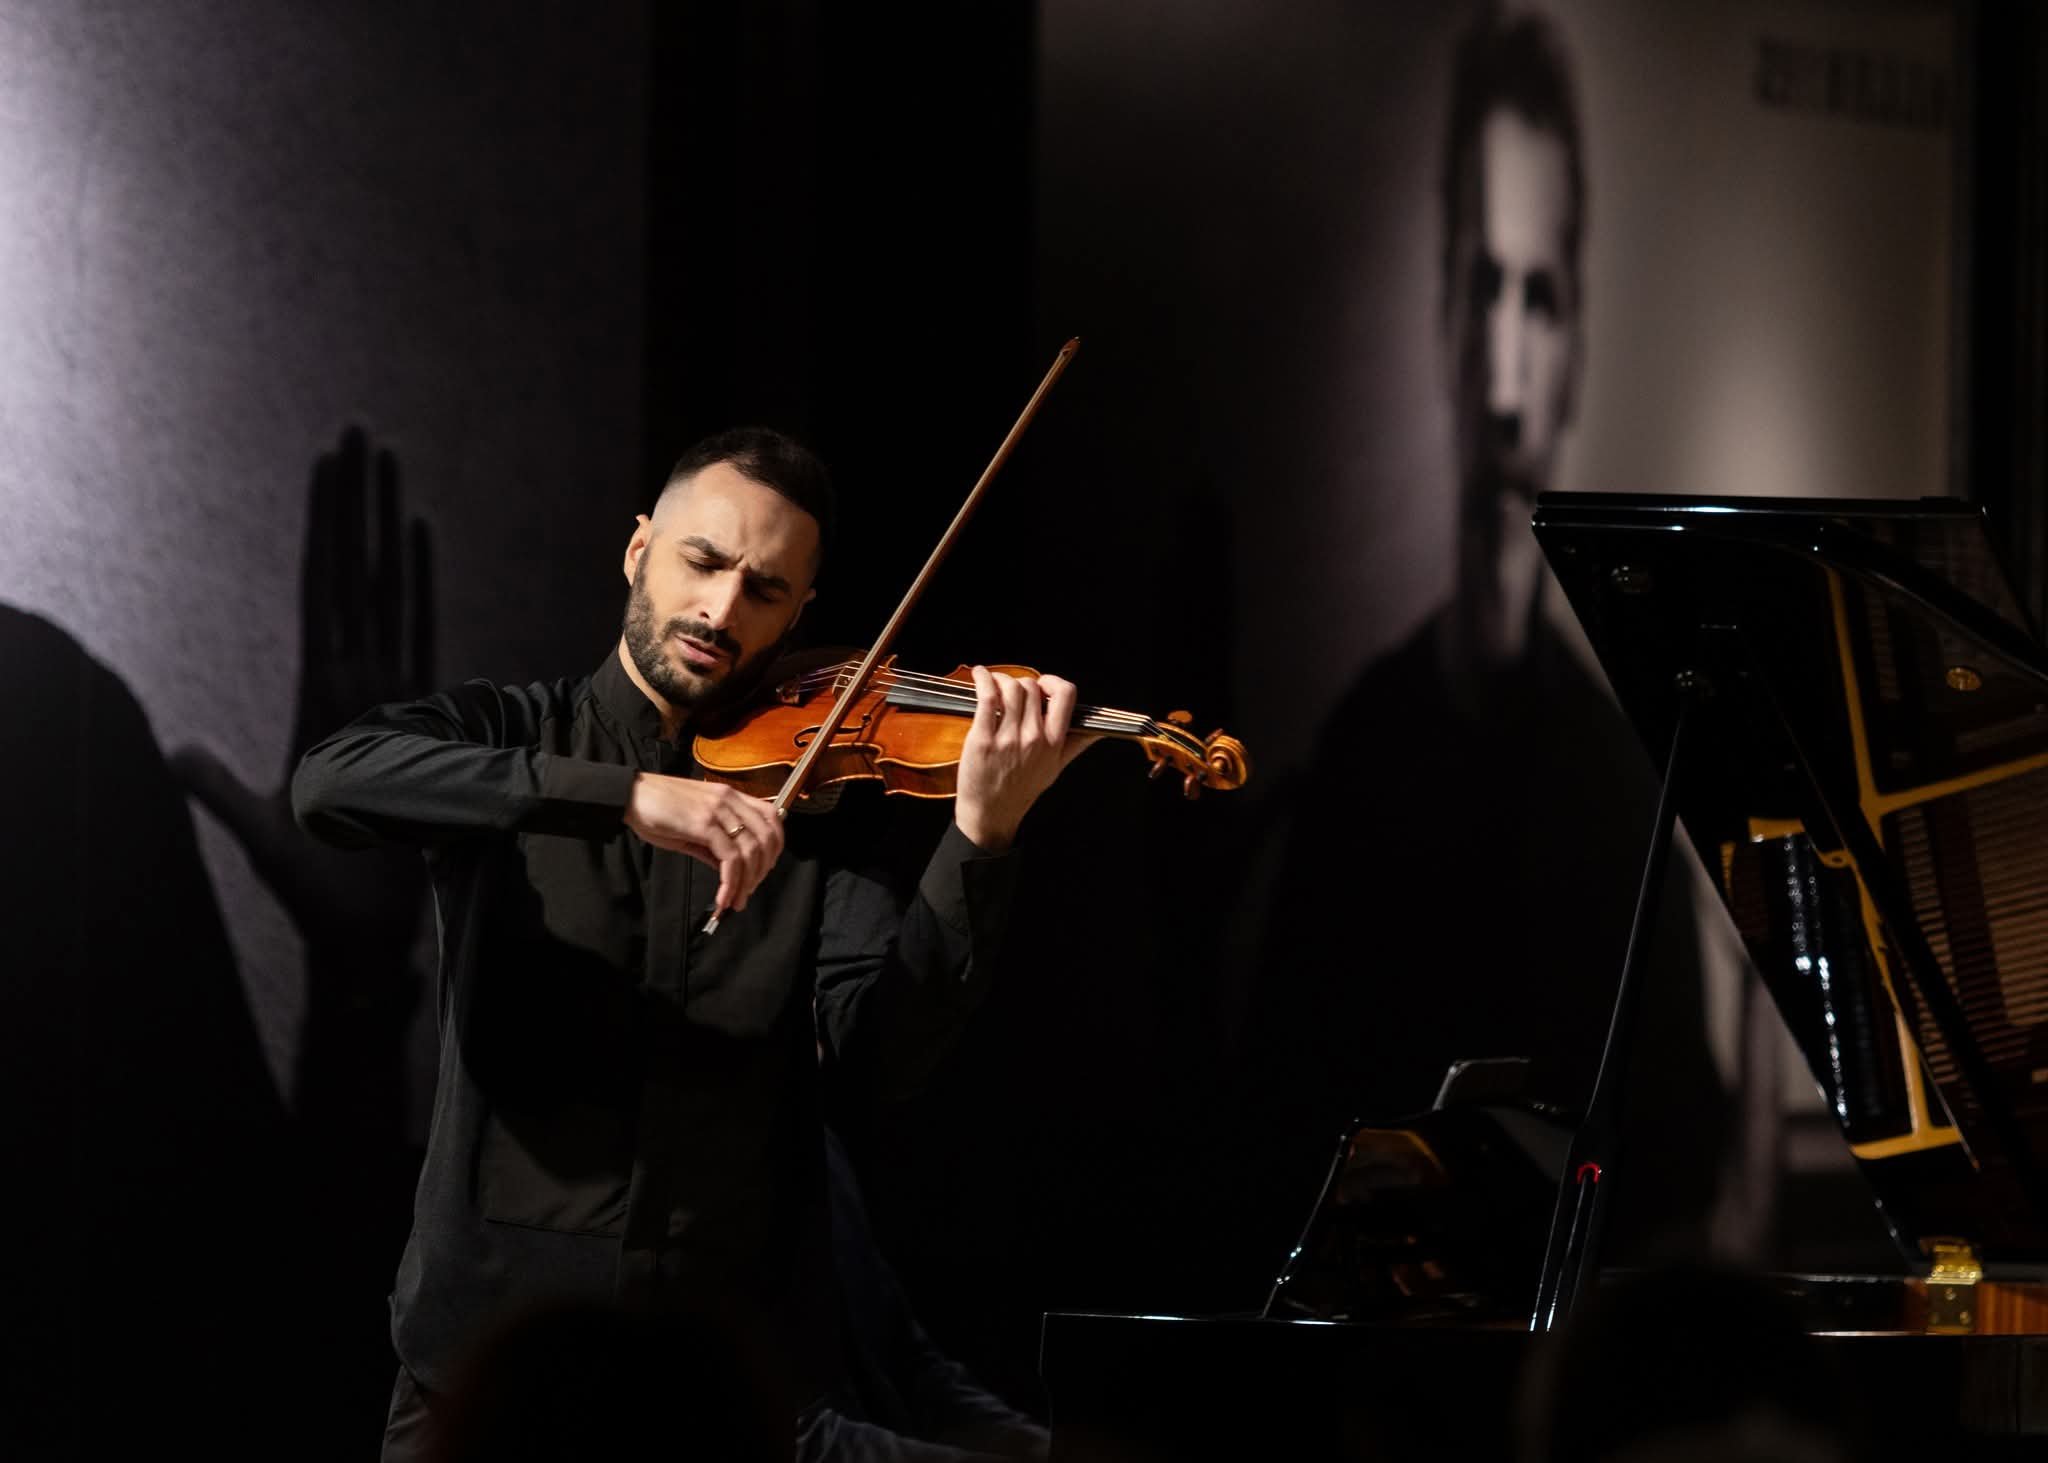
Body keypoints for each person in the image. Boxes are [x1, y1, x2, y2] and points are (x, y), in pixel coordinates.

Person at [291, 426, 1092, 1460]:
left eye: (764, 589)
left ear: (800, 612)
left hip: (716, 1389)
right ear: (639, 552)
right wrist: (623, 794)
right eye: (702, 563)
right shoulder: (515, 730)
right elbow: (329, 780)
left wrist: (980, 838)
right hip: (484, 1371)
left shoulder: (820, 807)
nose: (721, 610)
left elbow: (876, 1055)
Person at [1241, 2, 1730, 1270]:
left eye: (1542, 298)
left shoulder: (1620, 775)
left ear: (1572, 345)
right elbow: (1272, 1107)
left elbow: (1681, 1153)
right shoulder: (1364, 750)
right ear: (1442, 317)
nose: (1510, 370)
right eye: (1482, 287)